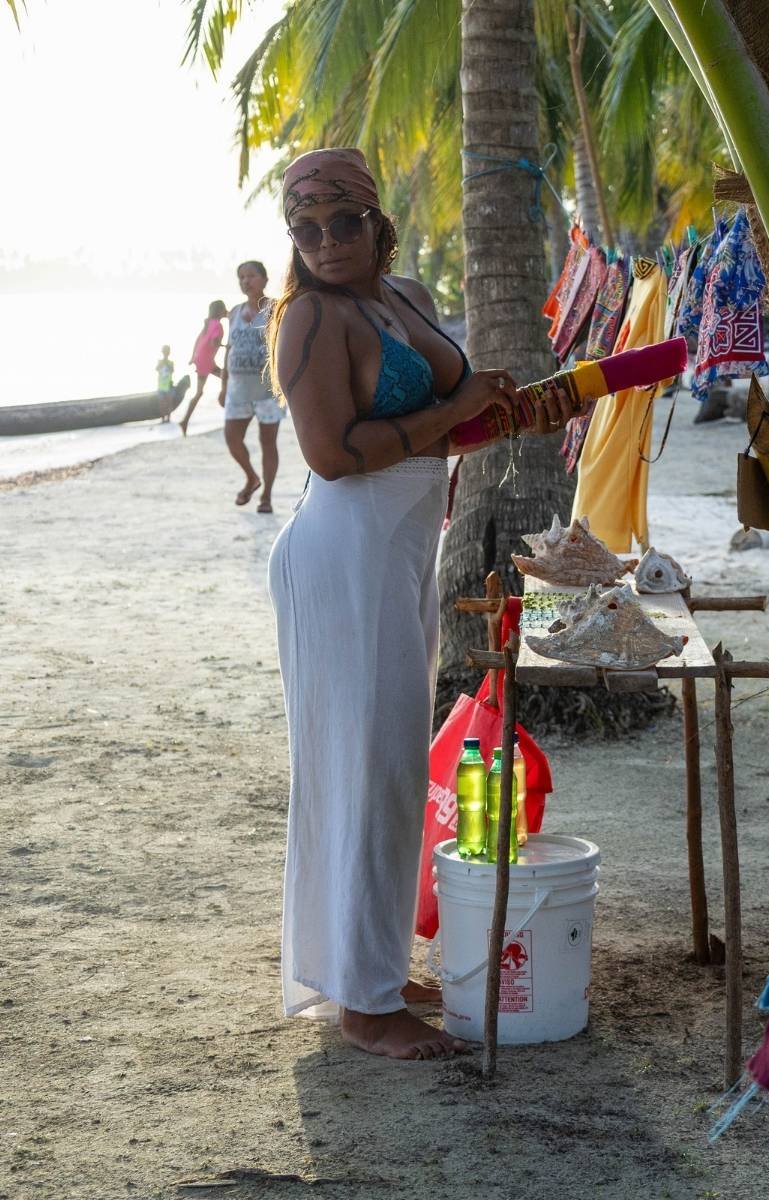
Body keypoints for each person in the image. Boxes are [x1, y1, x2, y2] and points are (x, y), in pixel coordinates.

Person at [266, 148, 584, 1061]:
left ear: (378, 221)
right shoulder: (309, 322)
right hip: (342, 555)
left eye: (344, 222)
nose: (327, 241)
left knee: (393, 766)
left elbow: (453, 412)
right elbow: (332, 453)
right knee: (363, 770)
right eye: (307, 228)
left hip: (401, 551)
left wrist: (511, 410)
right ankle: (363, 1006)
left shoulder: (402, 295)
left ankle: (366, 967)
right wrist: (455, 417)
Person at [219, 261, 282, 510]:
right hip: (238, 390)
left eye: (252, 276)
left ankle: (266, 495)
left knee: (268, 443)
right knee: (232, 438)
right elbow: (229, 350)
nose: (246, 281)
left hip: (268, 390)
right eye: (242, 277)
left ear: (265, 280)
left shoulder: (275, 309)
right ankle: (251, 477)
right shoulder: (234, 312)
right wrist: (223, 386)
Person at [179, 300, 228, 435]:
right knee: (226, 379)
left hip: (202, 360)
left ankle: (185, 421)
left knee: (201, 391)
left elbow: (198, 340)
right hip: (206, 362)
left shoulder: (208, 323)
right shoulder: (217, 325)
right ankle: (228, 406)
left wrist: (192, 357)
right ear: (220, 311)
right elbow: (214, 342)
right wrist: (227, 346)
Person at [155, 345, 175, 422]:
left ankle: (168, 419)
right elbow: (156, 369)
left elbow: (172, 370)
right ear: (162, 352)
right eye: (165, 351)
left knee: (169, 403)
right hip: (161, 386)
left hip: (169, 385)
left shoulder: (171, 362)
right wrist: (163, 362)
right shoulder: (160, 362)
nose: (166, 353)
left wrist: (166, 363)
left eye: (167, 351)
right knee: (162, 404)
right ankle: (163, 419)